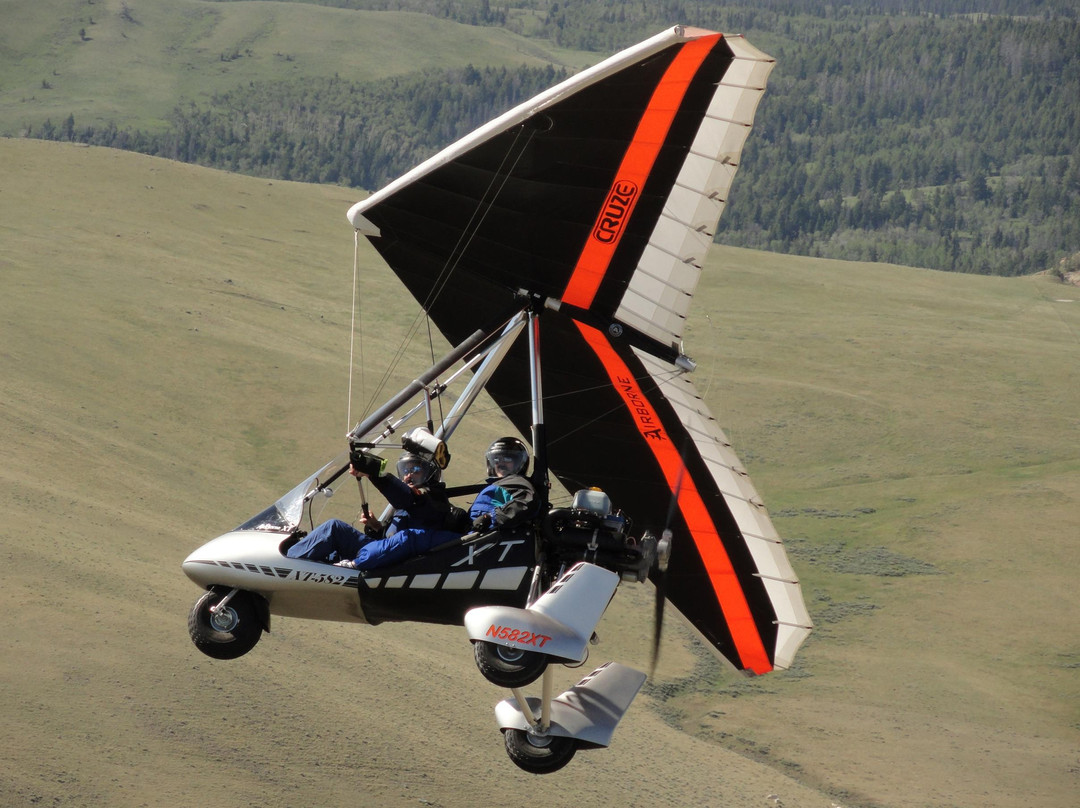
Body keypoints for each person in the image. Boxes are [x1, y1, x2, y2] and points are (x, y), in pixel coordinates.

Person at [286, 450, 462, 571]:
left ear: (430, 474)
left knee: (333, 529)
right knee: (335, 529)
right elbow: (391, 541)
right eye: (406, 469)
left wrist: (373, 471)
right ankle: (292, 558)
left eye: (415, 470)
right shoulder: (407, 505)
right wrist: (377, 527)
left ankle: (286, 565)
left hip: (394, 564)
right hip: (383, 554)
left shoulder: (433, 500)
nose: (408, 475)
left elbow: (408, 500)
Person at [468, 436, 536, 533]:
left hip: (486, 536)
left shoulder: (516, 483)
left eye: (507, 459)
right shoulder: (498, 485)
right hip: (471, 533)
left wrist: (491, 517)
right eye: (496, 459)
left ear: (519, 462)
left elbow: (525, 504)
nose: (500, 463)